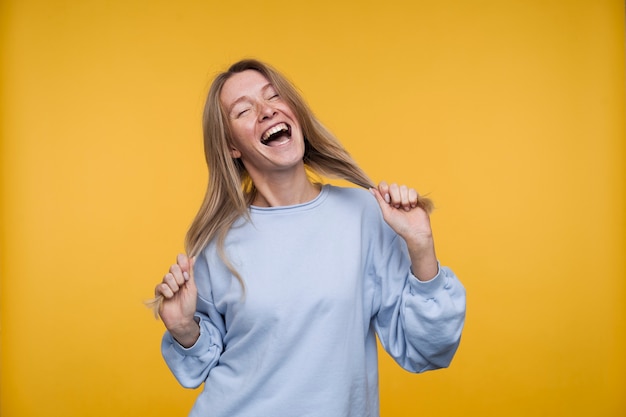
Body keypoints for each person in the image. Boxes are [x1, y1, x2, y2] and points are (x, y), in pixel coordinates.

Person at [151, 59, 466, 417]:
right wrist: (183, 329)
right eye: (244, 110)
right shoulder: (218, 243)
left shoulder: (364, 216)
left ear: (294, 112)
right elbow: (199, 369)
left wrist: (421, 247)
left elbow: (429, 350)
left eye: (274, 96)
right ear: (231, 147)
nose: (266, 111)